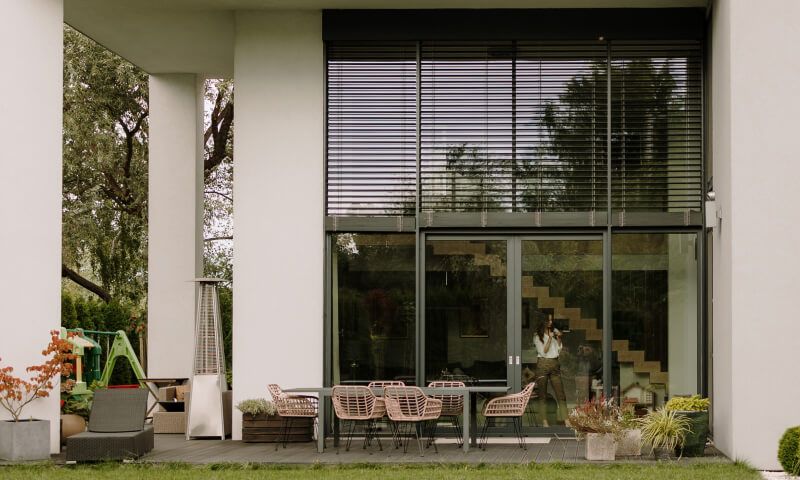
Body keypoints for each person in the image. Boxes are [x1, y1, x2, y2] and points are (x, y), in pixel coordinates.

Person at [533, 314, 567, 427]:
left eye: (551, 320)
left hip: (554, 364)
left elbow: (559, 349)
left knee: (561, 394)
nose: (551, 322)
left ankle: (566, 420)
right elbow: (544, 351)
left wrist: (559, 338)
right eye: (548, 320)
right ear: (543, 321)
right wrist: (550, 338)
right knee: (542, 395)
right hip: (543, 364)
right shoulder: (537, 336)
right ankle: (544, 421)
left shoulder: (554, 331)